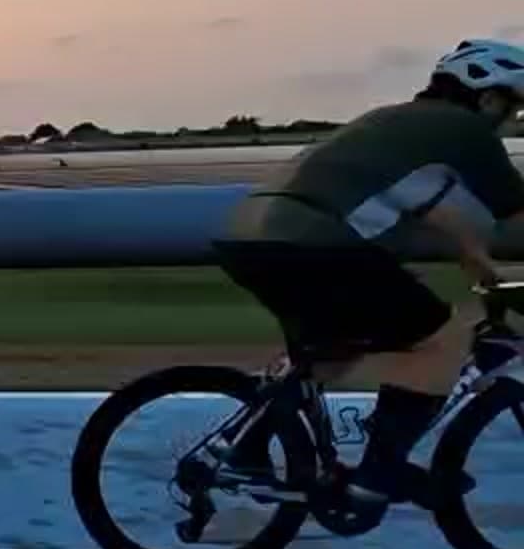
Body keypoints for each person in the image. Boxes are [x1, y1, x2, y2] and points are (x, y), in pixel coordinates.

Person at [212, 38, 524, 506]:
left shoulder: (394, 123)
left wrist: (483, 270)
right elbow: (516, 215)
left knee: (332, 351)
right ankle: (379, 474)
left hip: (247, 237)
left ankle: (243, 450)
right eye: (513, 107)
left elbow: (437, 210)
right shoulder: (466, 130)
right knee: (442, 338)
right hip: (313, 242)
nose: (512, 120)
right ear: (487, 97)